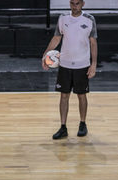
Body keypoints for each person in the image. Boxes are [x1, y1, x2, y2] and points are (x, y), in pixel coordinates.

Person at [42, 0, 97, 139]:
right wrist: (45, 55)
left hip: (82, 64)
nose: (74, 6)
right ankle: (63, 127)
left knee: (81, 95)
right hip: (65, 64)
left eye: (77, 3)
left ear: (83, 4)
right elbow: (56, 38)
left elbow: (93, 42)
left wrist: (94, 64)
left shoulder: (90, 19)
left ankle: (82, 124)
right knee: (64, 96)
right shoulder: (63, 18)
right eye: (72, 3)